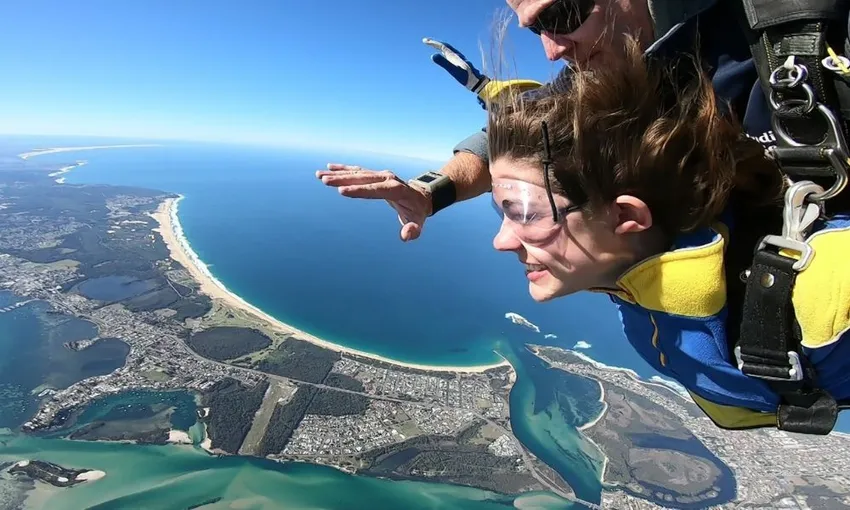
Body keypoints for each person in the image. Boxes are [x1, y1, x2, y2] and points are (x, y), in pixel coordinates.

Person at [482, 37, 850, 431]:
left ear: (626, 216)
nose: (500, 241)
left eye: (526, 214)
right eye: (502, 211)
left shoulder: (823, 293)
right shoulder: (632, 266)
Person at [316, 0, 766, 243]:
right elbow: (512, 137)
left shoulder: (787, 39)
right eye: (537, 30)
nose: (552, 50)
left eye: (560, 16)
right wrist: (429, 192)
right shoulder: (601, 72)